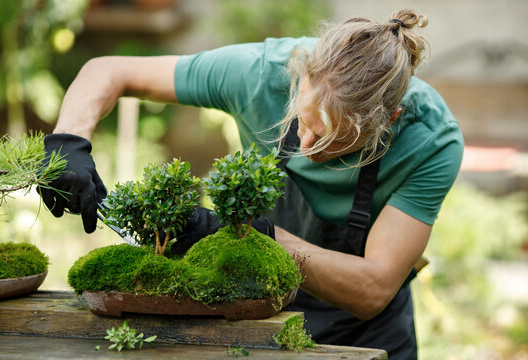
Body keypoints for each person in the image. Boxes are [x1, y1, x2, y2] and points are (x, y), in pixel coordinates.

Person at [39, 9, 463, 359]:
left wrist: (251, 236)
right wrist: (68, 144)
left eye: (334, 139)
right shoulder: (261, 74)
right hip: (256, 307)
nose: (308, 145)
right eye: (304, 122)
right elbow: (108, 70)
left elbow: (371, 289)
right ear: (301, 75)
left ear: (386, 123)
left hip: (367, 334)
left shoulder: (430, 140)